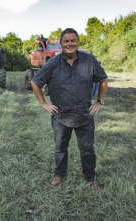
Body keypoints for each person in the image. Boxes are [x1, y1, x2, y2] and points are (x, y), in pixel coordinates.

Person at [31, 28, 108, 190]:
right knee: (60, 148)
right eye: (66, 41)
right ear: (61, 44)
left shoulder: (89, 60)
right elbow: (35, 82)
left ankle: (90, 177)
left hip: (84, 114)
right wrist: (43, 103)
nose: (70, 44)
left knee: (87, 148)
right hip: (61, 116)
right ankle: (59, 174)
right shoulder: (53, 63)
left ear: (78, 42)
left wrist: (99, 102)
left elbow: (103, 79)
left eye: (73, 40)